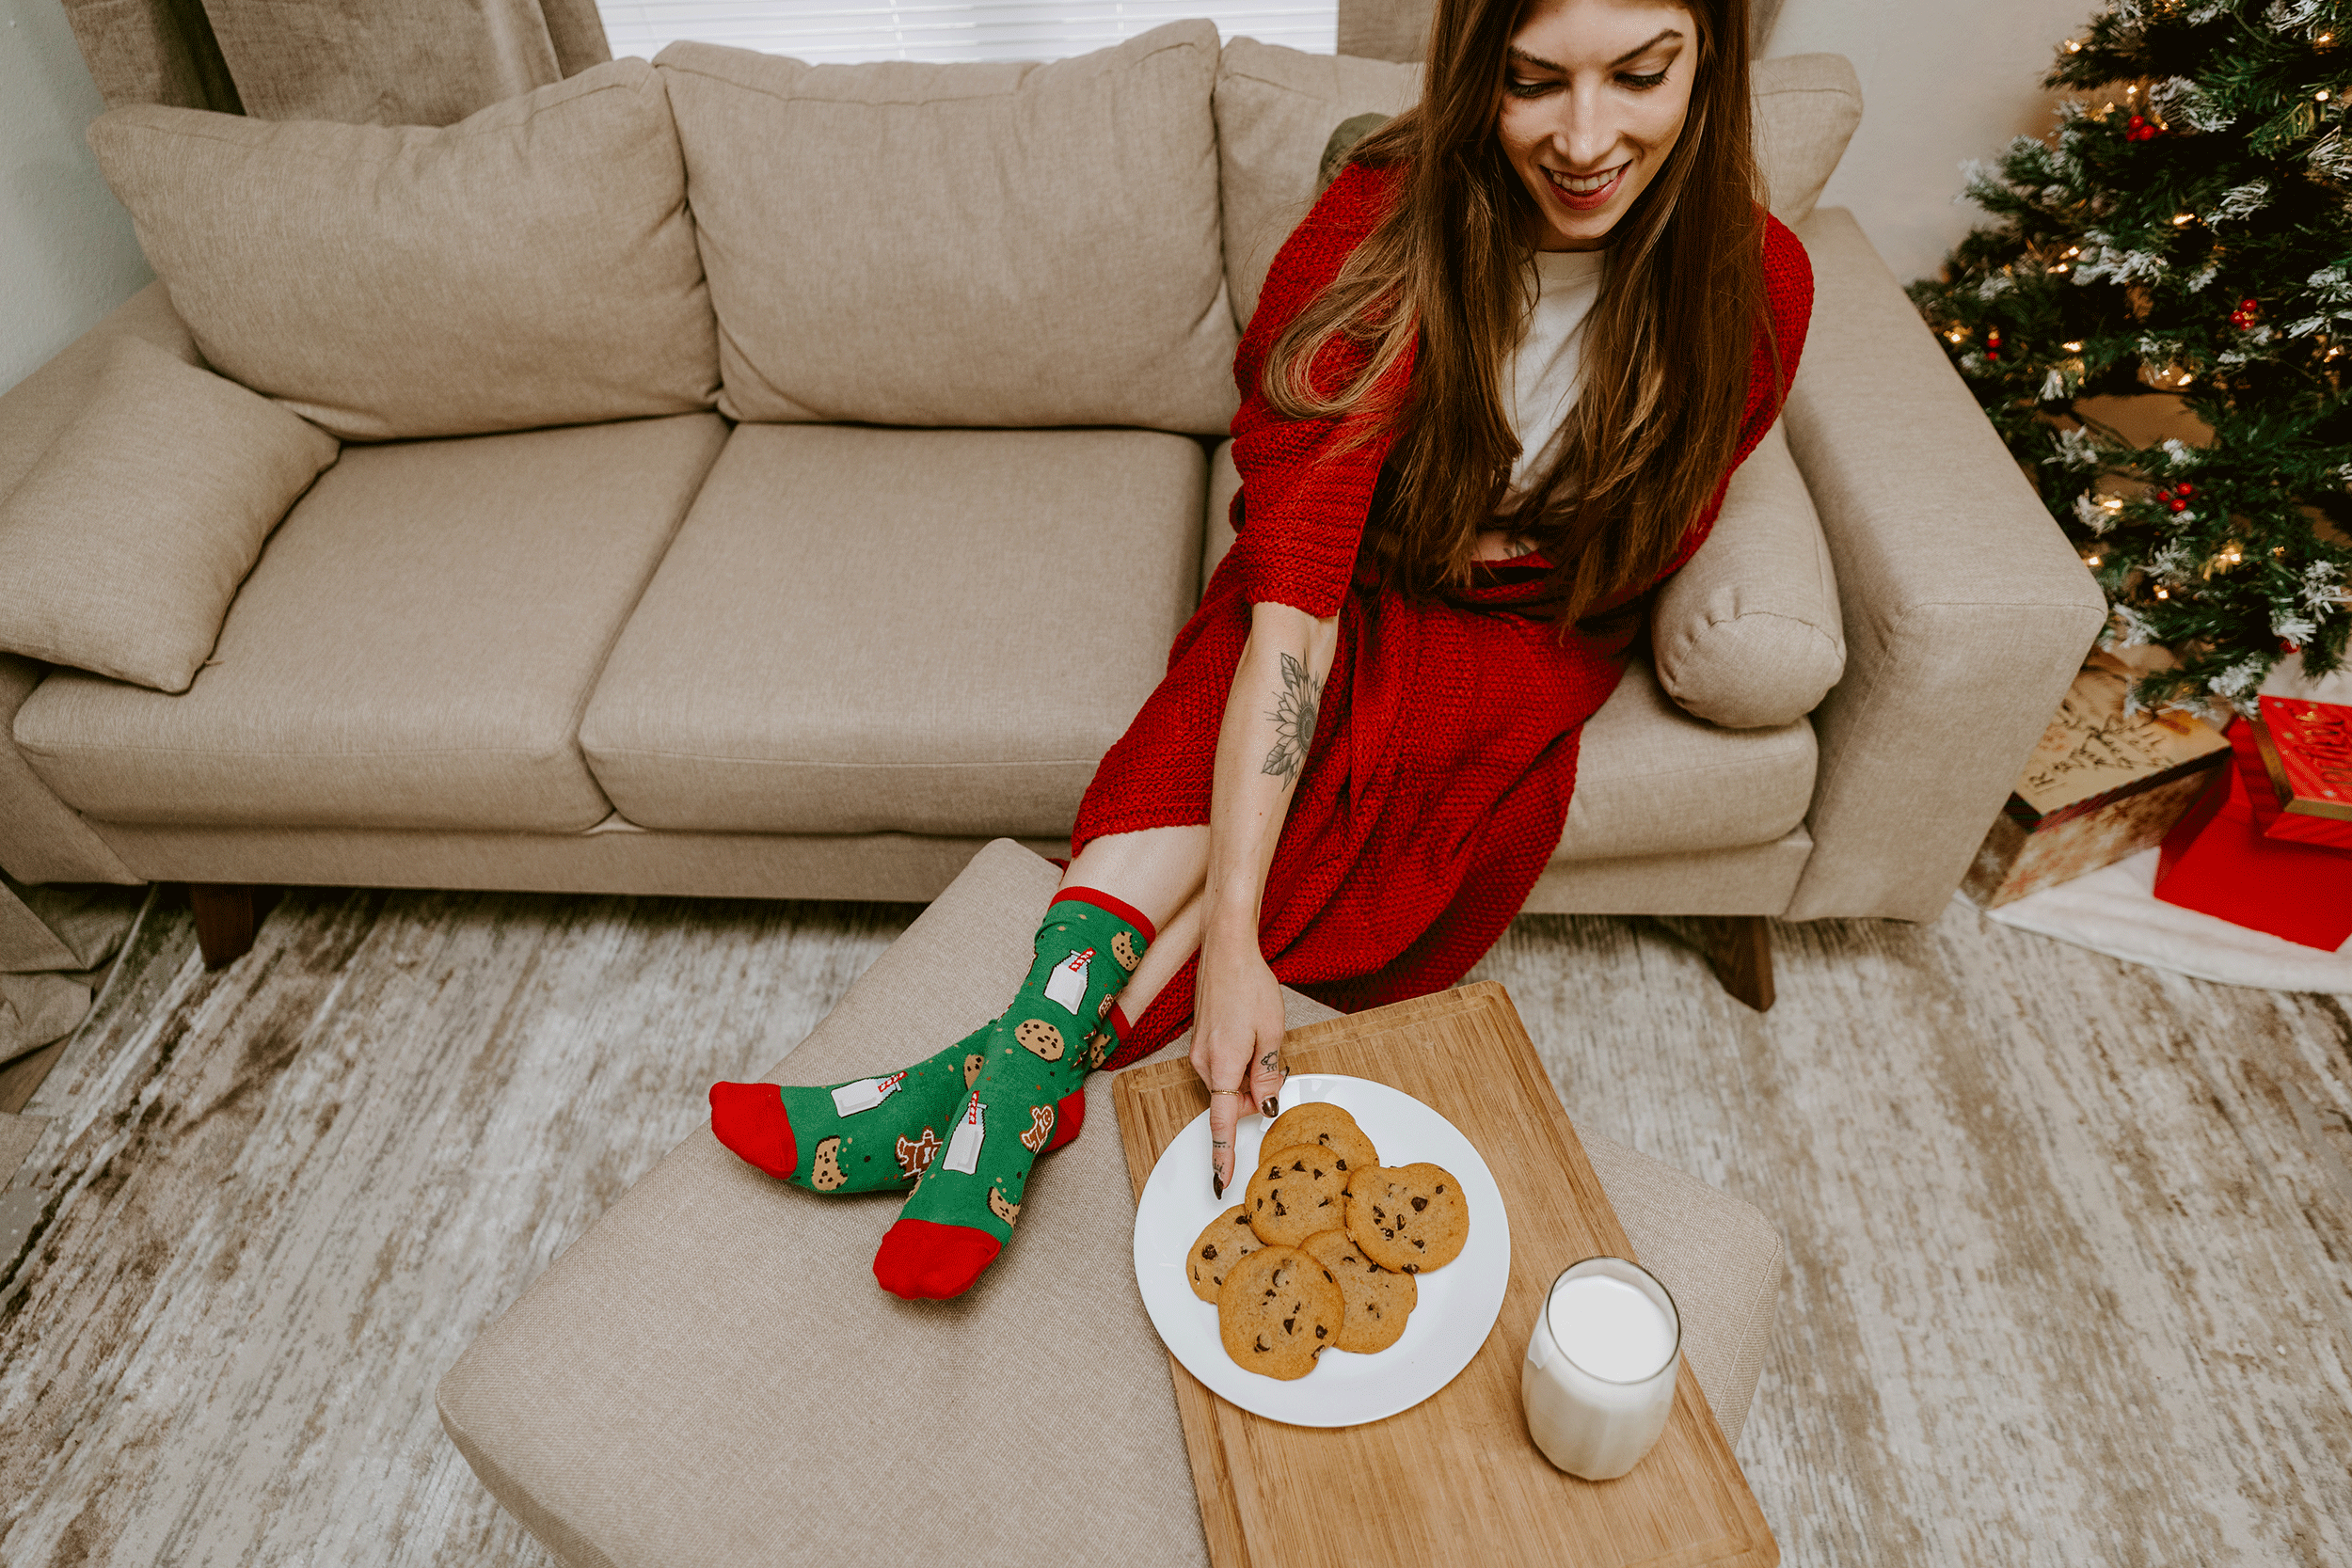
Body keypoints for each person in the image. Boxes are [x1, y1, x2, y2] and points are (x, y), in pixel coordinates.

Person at [708, 0, 1813, 1301]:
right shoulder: (1378, 223)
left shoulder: (1759, 285)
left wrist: (1515, 561)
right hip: (1353, 563)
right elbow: (1295, 601)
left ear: (1712, 65)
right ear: (1474, 74)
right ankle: (1016, 1096)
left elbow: (1663, 515)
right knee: (1220, 700)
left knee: (1384, 782)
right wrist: (1233, 933)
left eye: (1638, 77)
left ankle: (974, 1091)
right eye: (1531, 83)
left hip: (1528, 625)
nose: (1584, 139)